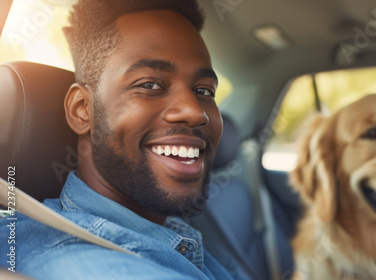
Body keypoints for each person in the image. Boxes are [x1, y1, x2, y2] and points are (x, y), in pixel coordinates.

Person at [0, 0, 234, 279]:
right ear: (82, 110)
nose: (194, 112)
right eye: (150, 85)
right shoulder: (78, 263)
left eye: (204, 91)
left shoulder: (172, 234)